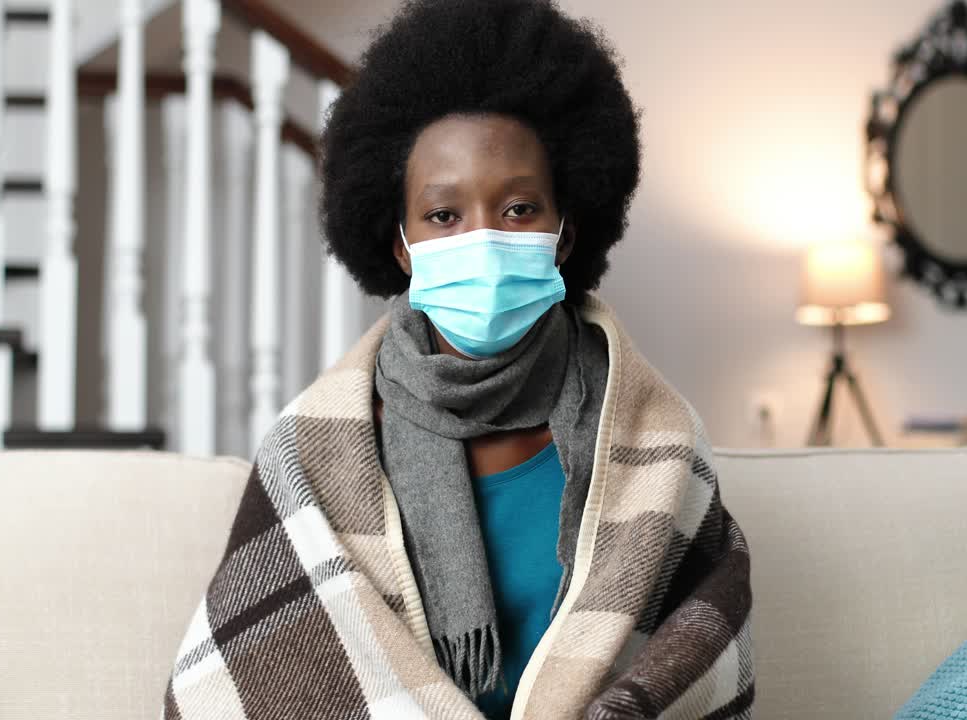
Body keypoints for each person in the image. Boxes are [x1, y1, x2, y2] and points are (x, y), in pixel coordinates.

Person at [162, 1, 753, 718]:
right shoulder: (316, 448)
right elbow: (250, 675)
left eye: (519, 209)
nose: (484, 239)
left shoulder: (654, 437)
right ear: (401, 246)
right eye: (444, 215)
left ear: (564, 234)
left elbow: (698, 652)